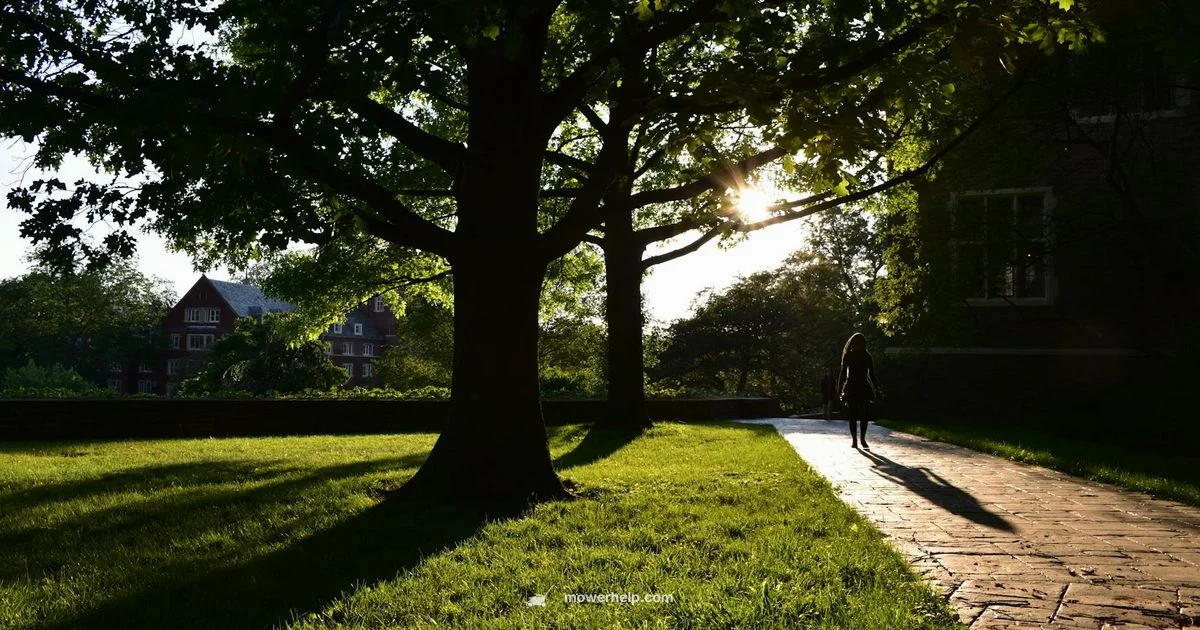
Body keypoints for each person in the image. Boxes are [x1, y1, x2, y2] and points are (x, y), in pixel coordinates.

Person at [837, 332, 881, 449]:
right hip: (852, 387)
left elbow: (872, 374)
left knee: (864, 415)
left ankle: (861, 438)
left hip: (862, 387)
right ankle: (855, 440)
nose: (856, 346)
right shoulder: (849, 356)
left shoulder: (867, 356)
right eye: (855, 344)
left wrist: (876, 388)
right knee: (853, 415)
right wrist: (840, 387)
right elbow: (842, 373)